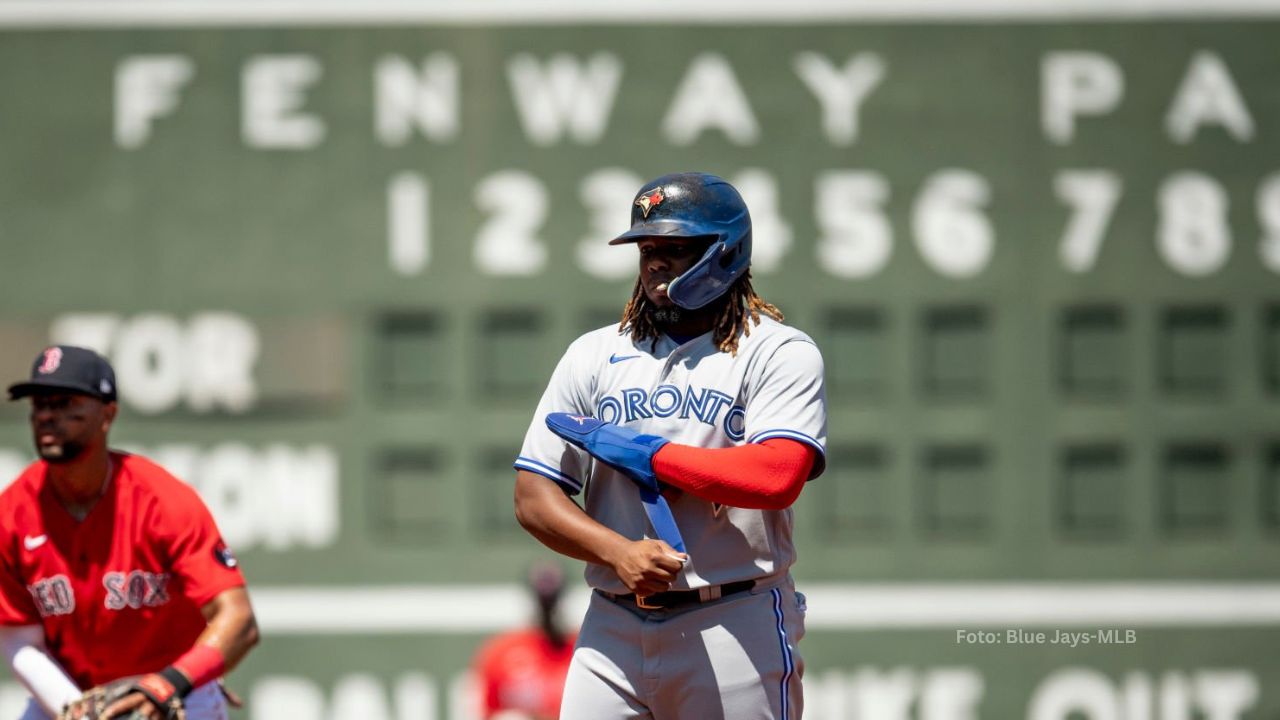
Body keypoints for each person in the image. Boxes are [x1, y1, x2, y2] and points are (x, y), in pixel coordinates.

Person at [513, 172, 827, 720]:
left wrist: (654, 458)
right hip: (612, 621)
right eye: (648, 248)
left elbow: (779, 475)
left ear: (725, 253)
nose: (656, 262)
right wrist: (618, 553)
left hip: (735, 615)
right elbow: (533, 496)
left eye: (676, 248)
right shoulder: (593, 354)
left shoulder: (776, 351)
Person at [0, 345, 260, 720]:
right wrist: (72, 707)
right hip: (71, 690)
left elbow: (239, 620)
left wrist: (173, 682)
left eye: (64, 402)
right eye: (39, 404)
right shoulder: (13, 513)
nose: (46, 416)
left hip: (172, 688)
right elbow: (18, 640)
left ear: (108, 414)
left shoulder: (162, 502)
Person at [470, 561, 576, 720]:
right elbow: (486, 710)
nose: (547, 606)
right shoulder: (503, 651)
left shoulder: (581, 650)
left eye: (552, 598)